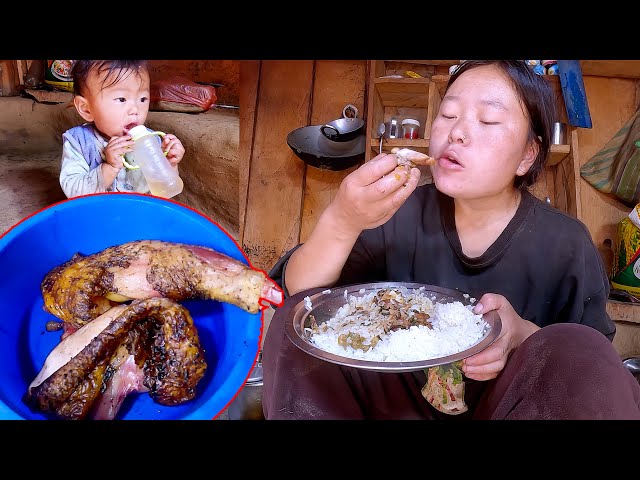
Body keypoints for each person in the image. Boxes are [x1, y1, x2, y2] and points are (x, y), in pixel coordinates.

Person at [262, 60, 640, 420]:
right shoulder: (398, 211)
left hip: (509, 406)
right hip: (392, 404)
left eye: (488, 119)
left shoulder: (566, 242)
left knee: (582, 350)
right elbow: (300, 290)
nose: (456, 131)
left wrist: (518, 334)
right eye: (447, 114)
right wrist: (342, 220)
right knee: (296, 324)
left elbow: (591, 364)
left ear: (528, 155)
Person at [59, 60, 185, 197]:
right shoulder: (79, 142)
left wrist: (169, 164)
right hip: (100, 213)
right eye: (121, 99)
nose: (135, 109)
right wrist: (109, 167)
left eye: (142, 99)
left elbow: (163, 192)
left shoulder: (152, 140)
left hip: (139, 212)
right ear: (86, 109)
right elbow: (72, 193)